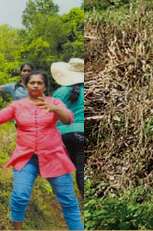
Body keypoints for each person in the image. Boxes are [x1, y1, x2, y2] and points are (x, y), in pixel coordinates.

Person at [0, 71, 82, 230]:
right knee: (20, 196)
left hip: (54, 157)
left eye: (39, 83)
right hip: (27, 157)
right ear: (26, 85)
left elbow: (67, 119)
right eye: (32, 82)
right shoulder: (17, 105)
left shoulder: (54, 101)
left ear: (45, 86)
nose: (35, 85)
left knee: (68, 201)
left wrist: (54, 109)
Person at [51, 58, 85, 199]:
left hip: (61, 135)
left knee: (63, 170)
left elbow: (51, 115)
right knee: (81, 171)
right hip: (81, 133)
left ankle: (65, 201)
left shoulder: (59, 92)